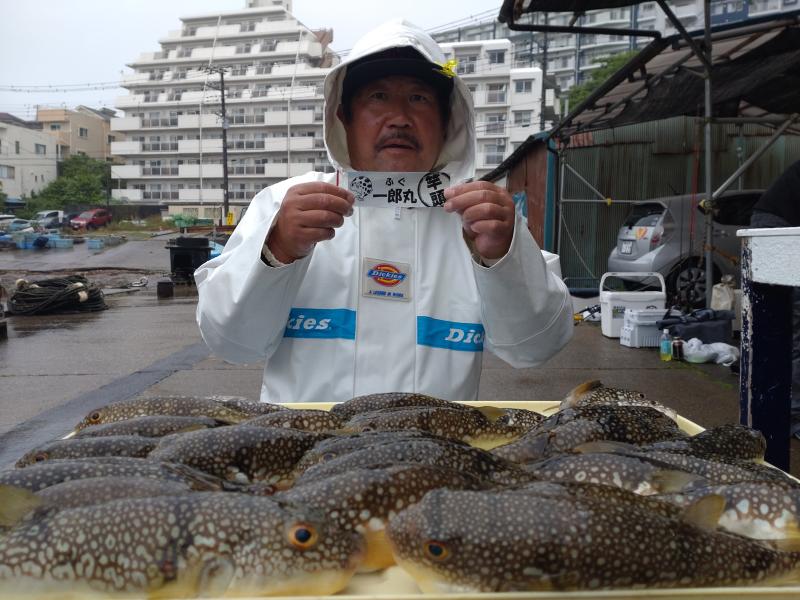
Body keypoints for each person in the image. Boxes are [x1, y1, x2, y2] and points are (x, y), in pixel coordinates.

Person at [195, 20, 573, 404]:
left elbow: (535, 347)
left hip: (434, 459)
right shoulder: (284, 204)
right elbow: (233, 343)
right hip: (307, 456)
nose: (399, 118)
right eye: (378, 96)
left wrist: (502, 259)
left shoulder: (483, 220)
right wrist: (276, 249)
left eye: (419, 98)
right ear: (344, 116)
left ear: (447, 121)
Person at [749, 160, 800, 439]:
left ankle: (779, 411)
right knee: (791, 329)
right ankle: (790, 414)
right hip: (780, 230)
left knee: (777, 327)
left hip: (772, 226)